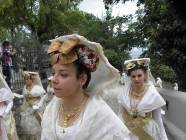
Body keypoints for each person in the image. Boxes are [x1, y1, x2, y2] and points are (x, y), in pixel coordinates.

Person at [41, 34, 131, 140]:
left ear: (82, 79)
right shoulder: (51, 109)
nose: (54, 80)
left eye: (63, 74)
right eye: (53, 73)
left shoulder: (99, 114)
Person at [118, 58, 168, 140]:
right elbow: (120, 115)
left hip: (146, 132)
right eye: (133, 76)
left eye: (139, 75)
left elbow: (158, 121)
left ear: (144, 75)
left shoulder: (153, 95)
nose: (136, 79)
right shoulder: (123, 93)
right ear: (130, 77)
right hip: (128, 133)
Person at [18, 71, 46, 140]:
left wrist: (39, 105)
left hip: (36, 109)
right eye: (25, 79)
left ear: (32, 79)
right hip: (27, 109)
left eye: (27, 79)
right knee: (28, 125)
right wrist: (18, 96)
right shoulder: (25, 87)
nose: (26, 81)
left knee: (36, 125)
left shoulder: (37, 88)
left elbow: (44, 96)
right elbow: (24, 96)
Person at [0, 72, 19, 140]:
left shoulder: (3, 91)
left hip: (4, 115)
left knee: (7, 134)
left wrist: (5, 112)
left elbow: (10, 102)